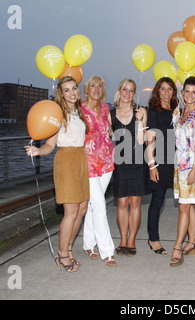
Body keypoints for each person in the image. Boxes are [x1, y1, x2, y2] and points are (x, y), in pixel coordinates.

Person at [24, 76, 89, 272]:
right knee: (70, 212)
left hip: (80, 158)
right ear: (61, 93)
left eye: (74, 88)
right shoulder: (58, 114)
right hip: (66, 160)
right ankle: (62, 254)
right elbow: (50, 144)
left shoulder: (79, 111)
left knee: (82, 209)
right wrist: (37, 150)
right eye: (66, 90)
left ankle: (68, 247)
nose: (71, 93)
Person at [171, 76, 195, 267]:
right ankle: (192, 240)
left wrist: (194, 170)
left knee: (184, 207)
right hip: (180, 166)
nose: (190, 95)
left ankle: (178, 247)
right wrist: (176, 120)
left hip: (191, 168)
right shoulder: (183, 112)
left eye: (194, 92)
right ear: (182, 93)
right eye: (187, 91)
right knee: (189, 205)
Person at [109, 79, 147, 256]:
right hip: (120, 163)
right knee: (122, 202)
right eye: (124, 89)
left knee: (135, 202)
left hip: (138, 161)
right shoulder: (110, 114)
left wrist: (140, 123)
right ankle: (123, 239)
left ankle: (132, 240)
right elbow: (108, 137)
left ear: (134, 94)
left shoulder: (140, 112)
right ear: (119, 90)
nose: (127, 93)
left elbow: (141, 141)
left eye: (131, 91)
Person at [81, 75, 116, 267]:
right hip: (88, 163)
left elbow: (110, 132)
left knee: (95, 205)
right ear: (86, 89)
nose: (96, 88)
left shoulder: (104, 108)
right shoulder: (80, 109)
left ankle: (88, 243)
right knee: (100, 206)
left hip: (106, 162)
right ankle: (107, 251)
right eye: (93, 85)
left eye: (100, 86)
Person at [145, 77, 178, 255]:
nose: (166, 92)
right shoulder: (154, 112)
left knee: (185, 202)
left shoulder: (176, 111)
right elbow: (149, 141)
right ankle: (153, 238)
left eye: (170, 89)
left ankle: (194, 236)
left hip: (177, 161)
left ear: (174, 91)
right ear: (157, 91)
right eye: (163, 89)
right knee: (157, 201)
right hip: (160, 162)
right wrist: (152, 166)